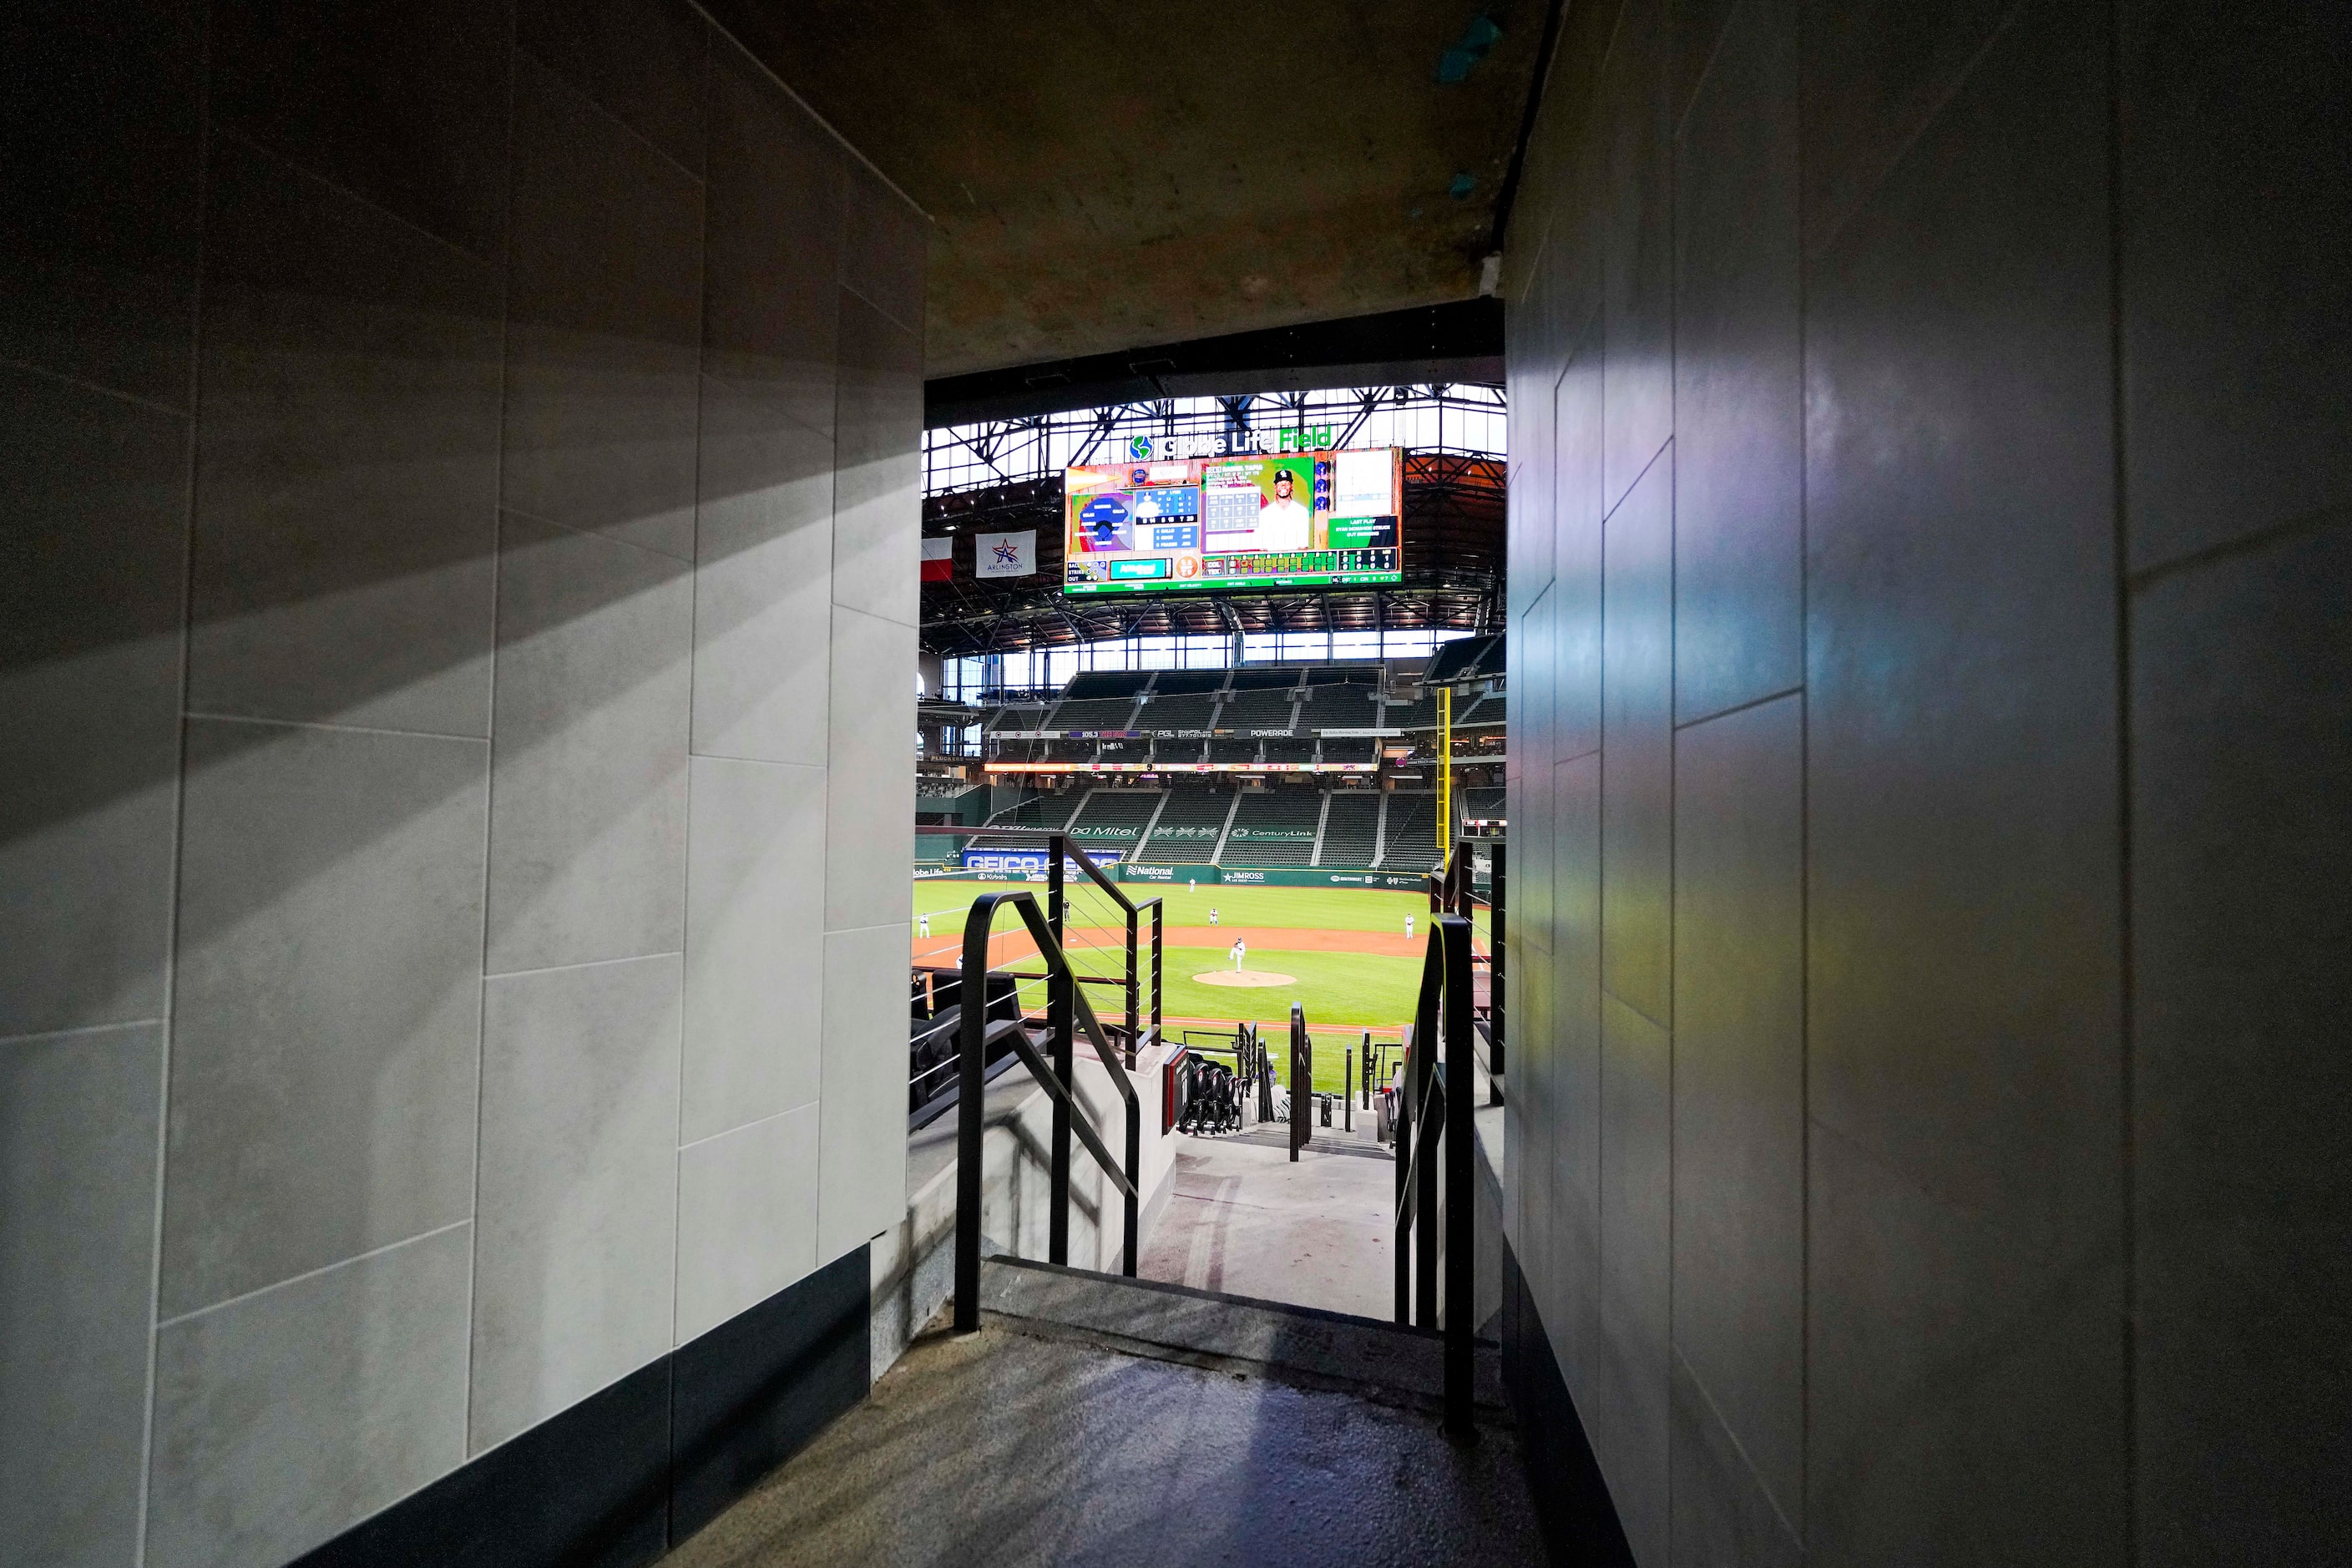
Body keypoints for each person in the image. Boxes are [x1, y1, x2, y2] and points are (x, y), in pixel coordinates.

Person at [1255, 468, 1312, 549]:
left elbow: (1303, 545)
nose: (1283, 487)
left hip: (1294, 559)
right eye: (1280, 484)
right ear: (1275, 487)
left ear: (1292, 486)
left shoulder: (1301, 512)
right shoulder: (1265, 514)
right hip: (1272, 559)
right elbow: (1262, 547)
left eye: (1287, 484)